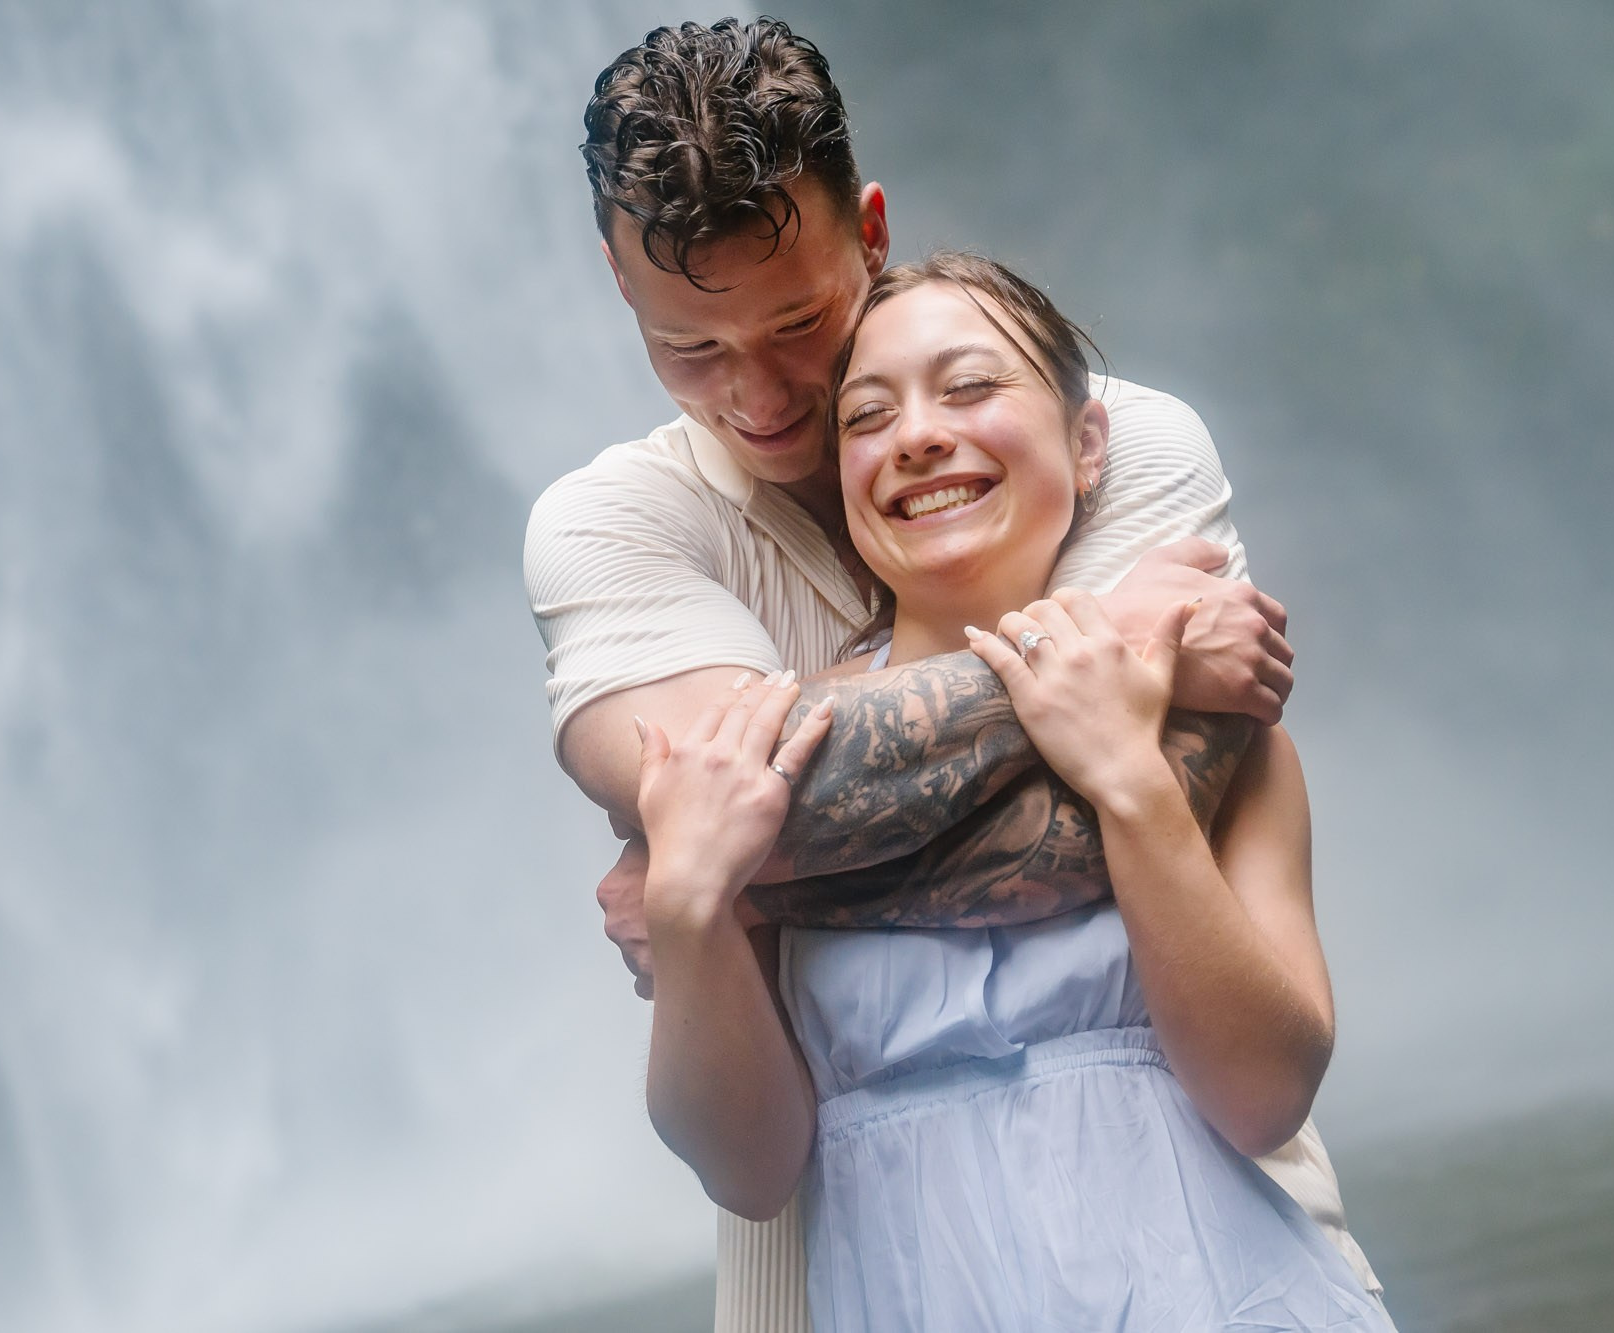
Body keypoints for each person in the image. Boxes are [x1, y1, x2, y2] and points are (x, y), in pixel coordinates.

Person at [524, 17, 1381, 1328]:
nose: (760, 397)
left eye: (803, 328)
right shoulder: (607, 529)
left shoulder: (1112, 431)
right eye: (691, 348)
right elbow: (751, 820)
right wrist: (1123, 658)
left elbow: (1193, 785)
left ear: (869, 231)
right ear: (616, 284)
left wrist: (740, 870)